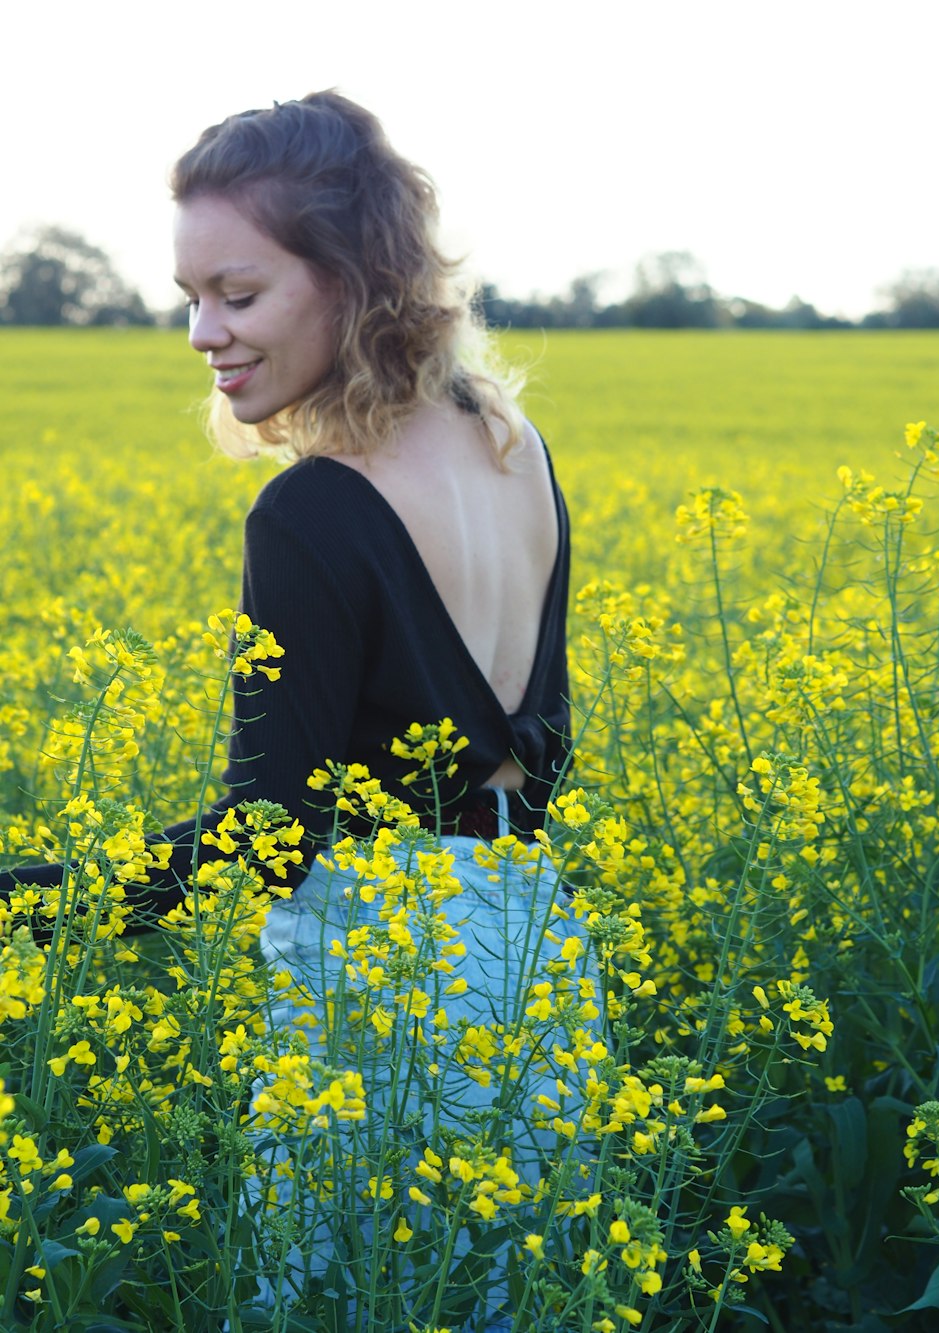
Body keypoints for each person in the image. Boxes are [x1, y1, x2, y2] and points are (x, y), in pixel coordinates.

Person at [2, 93, 587, 1328]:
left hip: (382, 979)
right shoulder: (511, 444)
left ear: (351, 279)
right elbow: (546, 752)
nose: (205, 332)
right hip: (533, 956)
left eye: (239, 293)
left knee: (339, 1304)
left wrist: (33, 908)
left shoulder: (311, 510)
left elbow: (268, 829)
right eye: (189, 299)